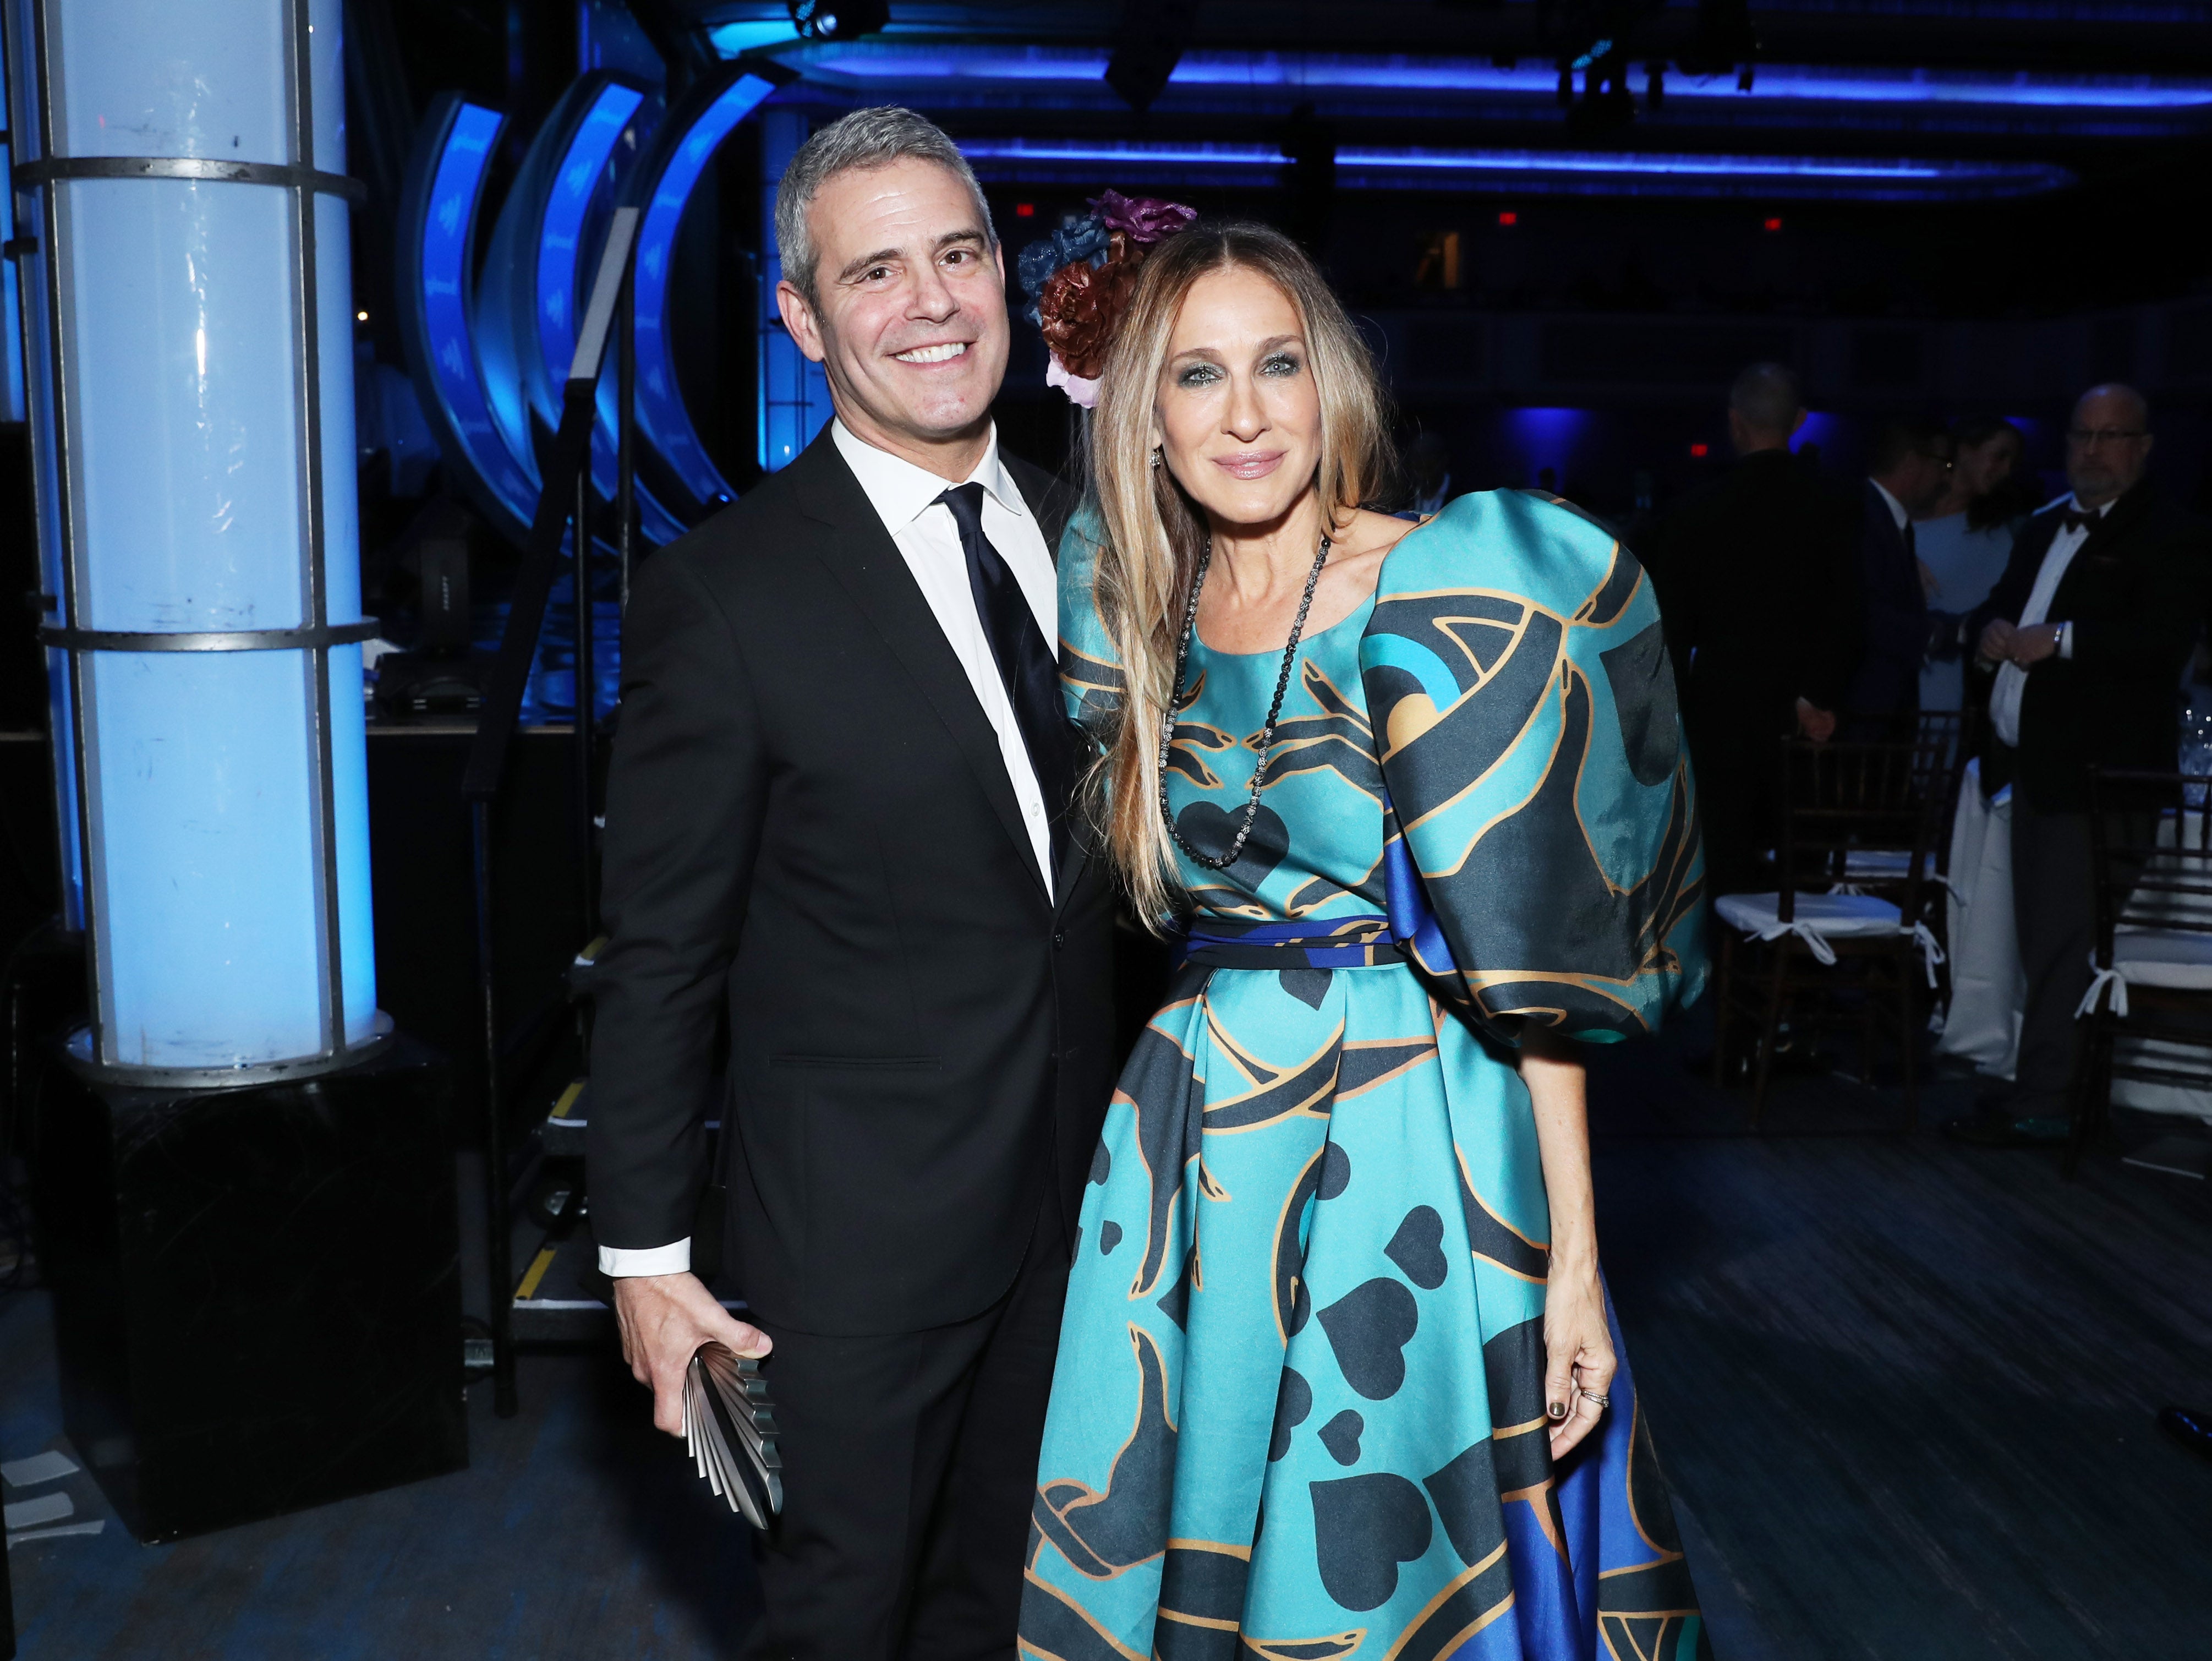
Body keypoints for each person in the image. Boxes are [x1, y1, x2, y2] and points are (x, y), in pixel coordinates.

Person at [1022, 223, 1713, 1659]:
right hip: (1194, 1138)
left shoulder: (1440, 589)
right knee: (1196, 1525)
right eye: (1198, 375)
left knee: (1384, 1551)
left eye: (1277, 364)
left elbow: (1538, 975)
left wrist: (1576, 1259)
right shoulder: (1138, 607)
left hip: (1410, 1130)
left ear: (1328, 382)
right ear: (1144, 408)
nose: (1247, 412)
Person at [584, 107, 1119, 1659]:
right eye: (873, 272)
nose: (932, 302)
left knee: (1007, 1611)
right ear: (803, 319)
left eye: (958, 255)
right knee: (839, 1622)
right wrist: (644, 1259)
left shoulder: (1097, 530)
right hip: (852, 1255)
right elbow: (661, 951)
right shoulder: (725, 598)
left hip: (1081, 1212)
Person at [1946, 384, 2212, 1148]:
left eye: (2111, 435)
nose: (2093, 450)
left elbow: (2160, 645)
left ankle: (2045, 1102)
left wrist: (2060, 639)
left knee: (2064, 940)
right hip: (2036, 769)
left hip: (2103, 773)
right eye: (2082, 435)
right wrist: (1990, 630)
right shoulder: (2040, 529)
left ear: (2144, 445)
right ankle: (2045, 1089)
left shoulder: (2174, 533)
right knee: (2043, 940)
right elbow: (2001, 605)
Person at [1647, 361, 1858, 897]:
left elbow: (1672, 628)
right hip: (1805, 719)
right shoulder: (1837, 505)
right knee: (1800, 867)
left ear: (1735, 422)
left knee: (1724, 863)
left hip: (1720, 713)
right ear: (1801, 421)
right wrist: (1818, 695)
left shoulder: (1697, 511)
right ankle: (1798, 973)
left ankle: (1730, 974)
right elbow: (1851, 612)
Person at [1844, 417, 1952, 733]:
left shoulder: (1882, 516)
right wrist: (1938, 635)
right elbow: (1867, 612)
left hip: (1875, 716)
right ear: (1912, 463)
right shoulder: (1864, 516)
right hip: (1863, 717)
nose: (1944, 477)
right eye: (1942, 465)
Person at [1917, 416, 2029, 714]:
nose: (2004, 470)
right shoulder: (1904, 512)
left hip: (1950, 692)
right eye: (1999, 456)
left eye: (2012, 463)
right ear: (1965, 449)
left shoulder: (1999, 536)